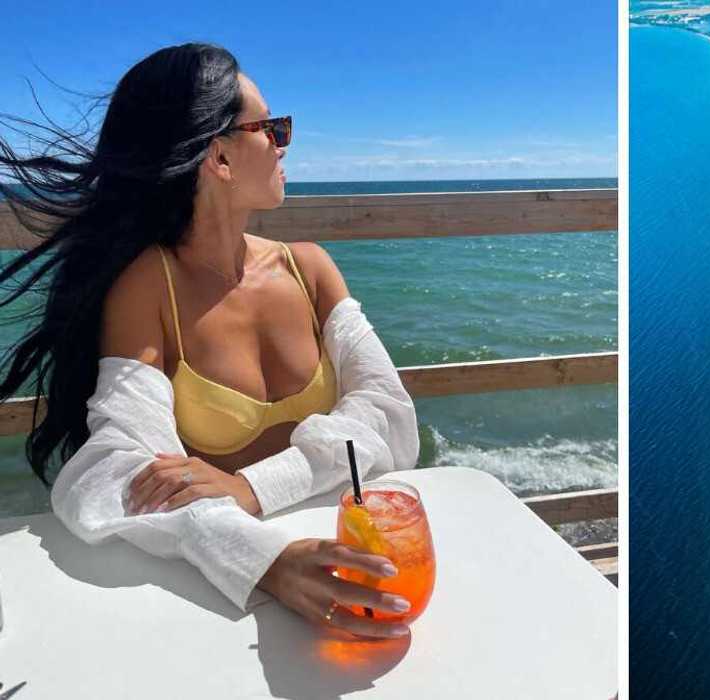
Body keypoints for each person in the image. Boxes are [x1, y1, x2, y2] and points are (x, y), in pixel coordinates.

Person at [0, 43, 419, 638]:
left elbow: (390, 418)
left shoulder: (311, 269)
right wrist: (265, 560)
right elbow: (106, 474)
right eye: (272, 128)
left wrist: (253, 486)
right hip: (234, 600)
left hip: (352, 558)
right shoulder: (150, 287)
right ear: (219, 156)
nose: (284, 143)